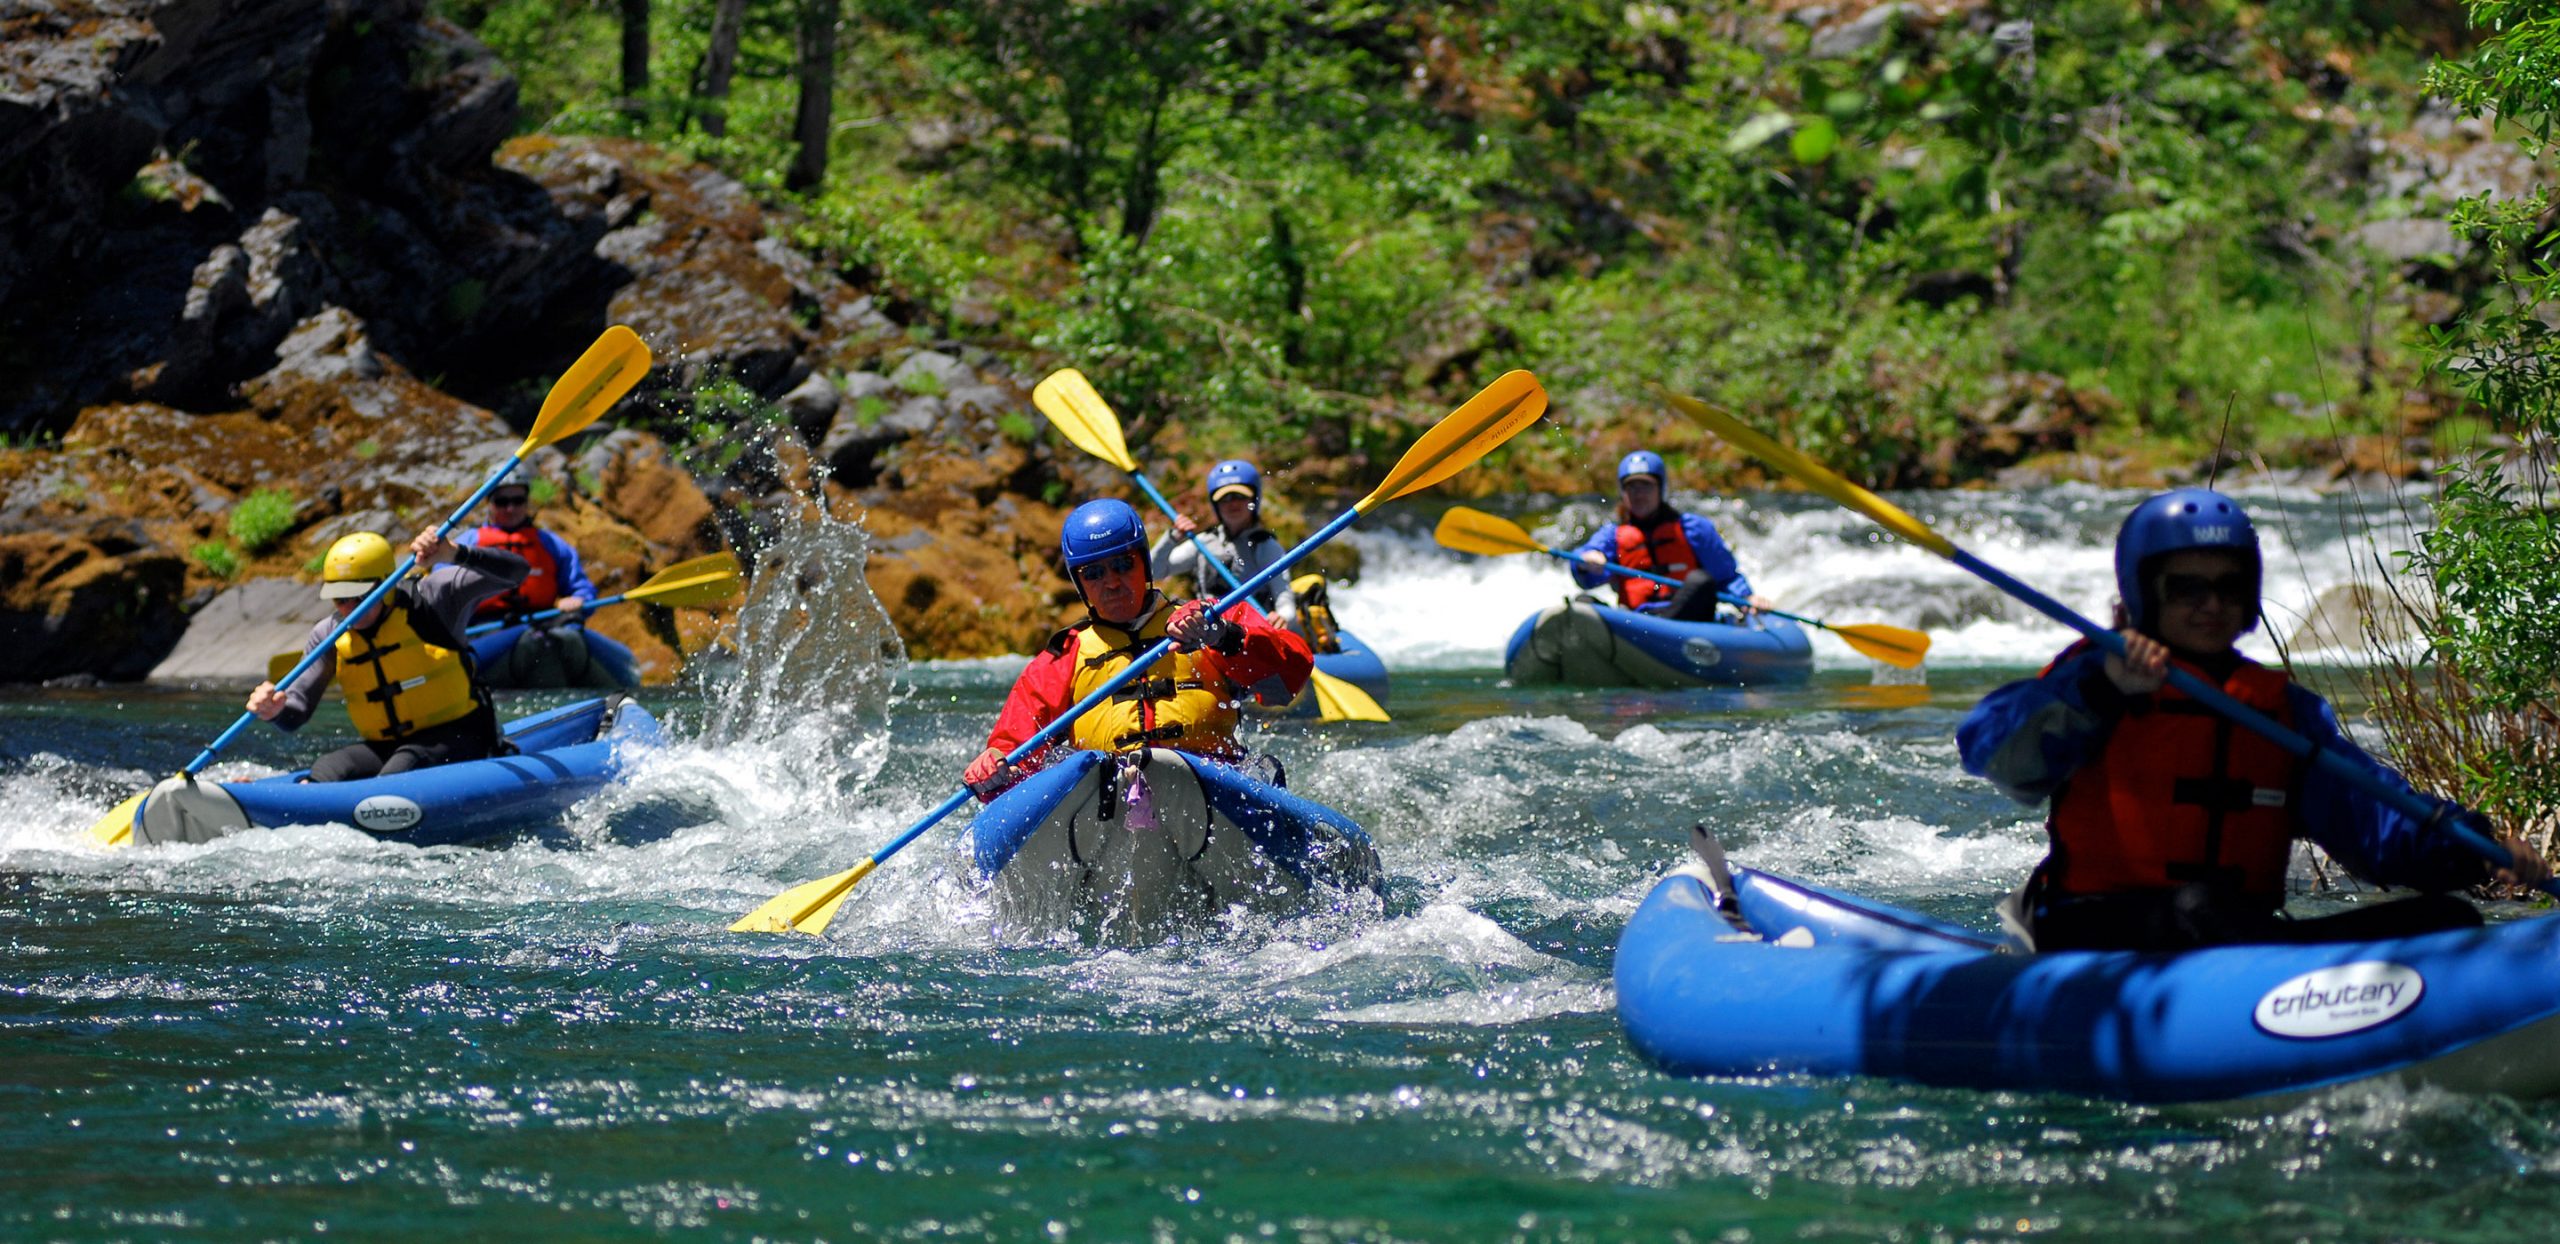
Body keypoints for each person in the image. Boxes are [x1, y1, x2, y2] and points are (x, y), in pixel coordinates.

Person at [1956, 487, 2548, 952]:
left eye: (2229, 586)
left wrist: (2473, 848)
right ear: (2144, 593)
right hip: (2096, 933)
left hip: (2237, 938)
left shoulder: (2277, 709)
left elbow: (2370, 820)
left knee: (2450, 918)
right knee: (2197, 908)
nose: (2211, 604)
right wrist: (2103, 692)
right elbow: (1993, 752)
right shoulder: (2093, 675)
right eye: (2186, 588)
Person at [963, 499, 1315, 798]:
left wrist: (1223, 636)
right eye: (1094, 573)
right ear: (1080, 583)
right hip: (1108, 799)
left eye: (1122, 564)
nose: (1112, 583)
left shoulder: (1213, 618)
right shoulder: (1064, 656)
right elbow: (1013, 752)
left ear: (1144, 563)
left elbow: (1290, 679)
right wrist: (996, 763)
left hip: (1211, 786)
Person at [247, 529, 530, 783]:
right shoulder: (329, 635)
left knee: (404, 765)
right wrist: (276, 711)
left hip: (461, 735)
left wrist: (455, 553)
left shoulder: (434, 598)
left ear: (386, 585)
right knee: (328, 769)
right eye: (339, 599)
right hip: (388, 747)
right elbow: (295, 715)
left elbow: (518, 572)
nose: (349, 608)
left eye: (359, 597)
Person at [1571, 450, 1767, 622]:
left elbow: (1725, 577)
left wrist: (1746, 599)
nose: (1639, 495)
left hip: (1687, 617)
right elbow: (1586, 572)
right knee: (1582, 603)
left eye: (1646, 486)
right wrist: (1585, 562)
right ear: (1623, 493)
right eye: (1632, 487)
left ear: (1661, 489)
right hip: (1637, 622)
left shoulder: (1694, 529)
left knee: (1701, 581)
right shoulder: (1612, 536)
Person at [456, 477, 603, 685]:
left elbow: (581, 588)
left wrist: (579, 599)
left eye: (517, 501)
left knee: (556, 640)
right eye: (502, 502)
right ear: (489, 503)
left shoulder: (551, 544)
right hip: (484, 630)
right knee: (530, 643)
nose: (510, 508)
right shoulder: (468, 543)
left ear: (526, 502)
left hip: (541, 623)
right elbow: (444, 593)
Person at [1151, 458, 1299, 631]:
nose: (1232, 503)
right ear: (1216, 505)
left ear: (1254, 499)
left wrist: (1283, 617)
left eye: (1239, 496)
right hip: (1209, 635)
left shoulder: (1265, 545)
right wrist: (1171, 537)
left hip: (1252, 633)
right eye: (1225, 498)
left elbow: (1283, 596)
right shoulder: (1204, 543)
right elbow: (1155, 571)